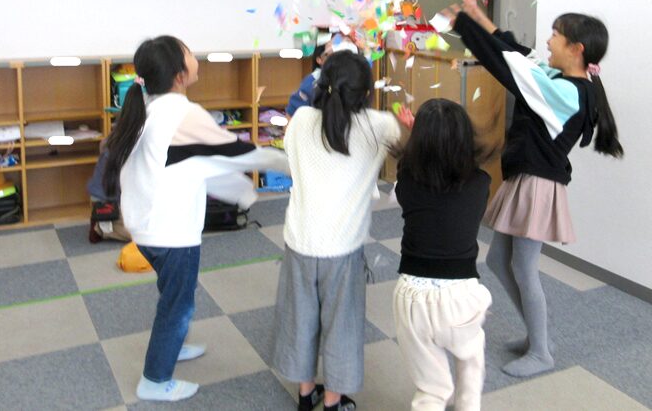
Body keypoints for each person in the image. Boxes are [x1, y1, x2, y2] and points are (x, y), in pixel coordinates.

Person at [439, 0, 623, 378]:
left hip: (539, 184)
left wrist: (463, 25)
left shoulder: (567, 92)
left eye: (556, 35)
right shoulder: (563, 77)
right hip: (529, 177)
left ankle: (542, 351)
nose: (549, 40)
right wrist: (479, 19)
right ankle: (537, 337)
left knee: (524, 269)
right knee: (497, 261)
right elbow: (518, 53)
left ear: (577, 49)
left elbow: (509, 66)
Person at [102, 35, 289, 402]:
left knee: (171, 294)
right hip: (172, 233)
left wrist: (242, 189)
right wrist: (288, 159)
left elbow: (202, 162)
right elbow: (236, 153)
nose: (194, 55)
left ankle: (174, 345)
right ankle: (155, 380)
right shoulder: (182, 114)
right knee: (178, 304)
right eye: (188, 52)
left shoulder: (151, 108)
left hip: (147, 227)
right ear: (178, 74)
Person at [271, 50, 401, 411]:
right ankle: (332, 403)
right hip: (343, 248)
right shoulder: (380, 126)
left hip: (300, 240)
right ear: (366, 92)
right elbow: (404, 142)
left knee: (301, 320)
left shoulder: (298, 122)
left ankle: (304, 394)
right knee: (341, 326)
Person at [392, 98, 494, 411]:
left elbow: (413, 166)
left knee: (432, 389)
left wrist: (417, 134)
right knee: (471, 359)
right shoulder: (480, 183)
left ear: (419, 141)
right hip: (459, 297)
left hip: (411, 300)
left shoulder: (407, 181)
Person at [285, 36, 359, 117]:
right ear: (319, 59)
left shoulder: (356, 78)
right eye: (330, 55)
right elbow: (292, 114)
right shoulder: (312, 83)